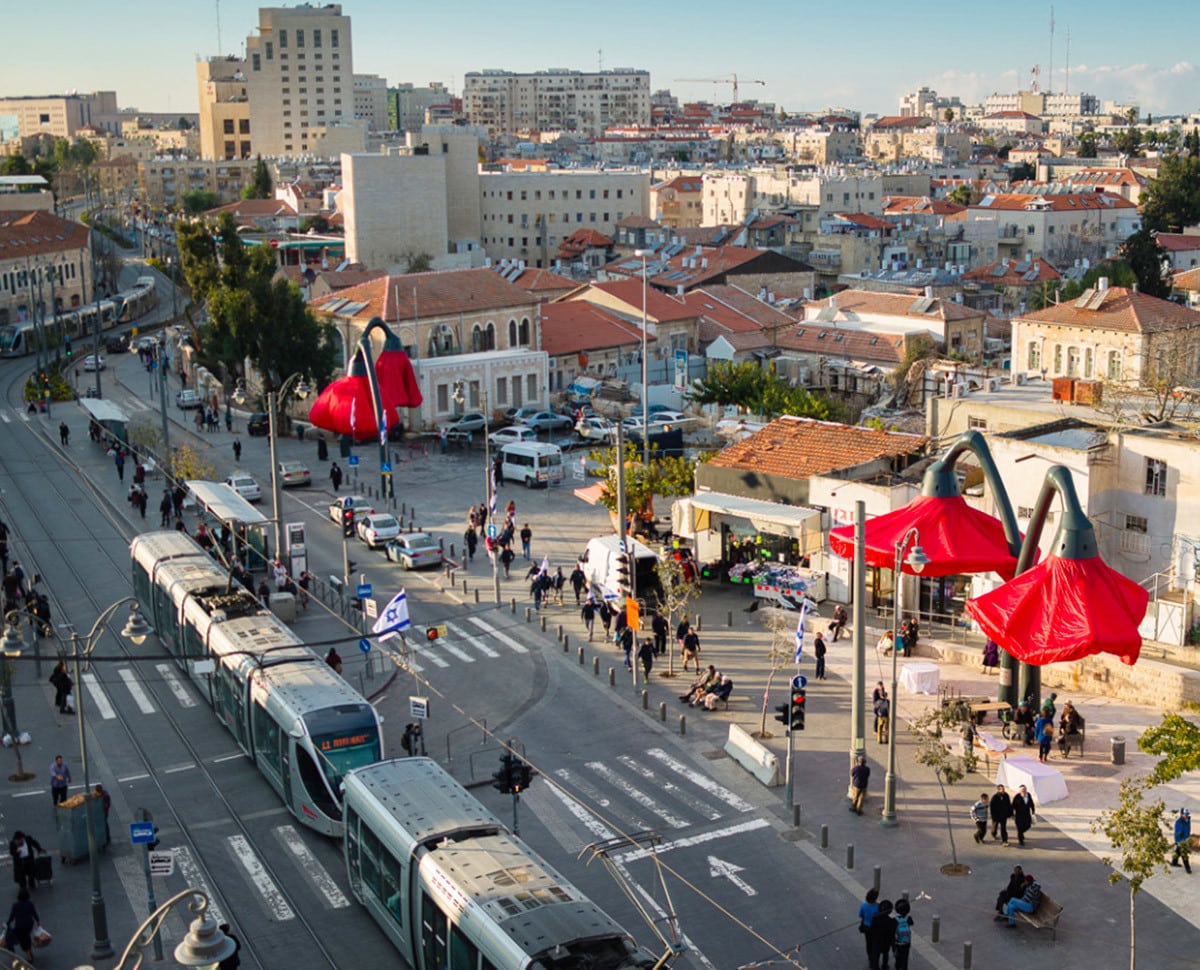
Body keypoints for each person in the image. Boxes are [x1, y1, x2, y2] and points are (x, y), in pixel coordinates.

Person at [5, 887, 39, 963]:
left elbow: (12, 916)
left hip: (19, 926)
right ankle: (30, 953)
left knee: (14, 939)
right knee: (26, 938)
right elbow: (34, 913)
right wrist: (38, 921)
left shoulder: (15, 905)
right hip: (29, 925)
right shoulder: (30, 904)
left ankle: (28, 957)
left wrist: (7, 923)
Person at [869, 899, 896, 970]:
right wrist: (893, 946)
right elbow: (892, 933)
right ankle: (885, 965)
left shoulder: (875, 918)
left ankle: (876, 967)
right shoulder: (891, 920)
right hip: (886, 941)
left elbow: (871, 929)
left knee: (876, 954)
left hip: (877, 940)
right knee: (885, 953)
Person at [857, 889, 879, 968]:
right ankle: (875, 961)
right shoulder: (877, 907)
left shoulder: (864, 905)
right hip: (875, 928)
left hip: (866, 927)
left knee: (869, 943)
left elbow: (861, 915)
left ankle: (870, 959)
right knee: (875, 945)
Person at [892, 898, 913, 970]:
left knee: (898, 955)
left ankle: (897, 966)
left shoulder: (895, 919)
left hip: (898, 942)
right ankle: (904, 967)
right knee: (905, 956)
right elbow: (912, 923)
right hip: (907, 942)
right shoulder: (908, 918)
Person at [1172, 808, 1192, 873]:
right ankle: (1188, 868)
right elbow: (1177, 834)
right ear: (1181, 814)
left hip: (1186, 839)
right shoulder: (1179, 823)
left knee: (1178, 851)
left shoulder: (1188, 820)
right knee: (1184, 854)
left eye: (1187, 814)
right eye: (1185, 814)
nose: (1186, 816)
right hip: (1181, 841)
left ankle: (1174, 862)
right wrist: (1178, 842)